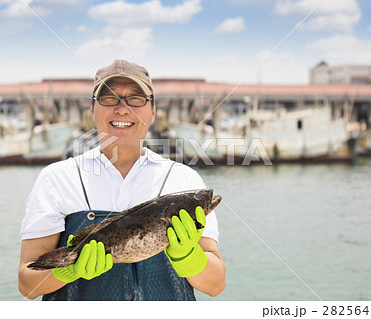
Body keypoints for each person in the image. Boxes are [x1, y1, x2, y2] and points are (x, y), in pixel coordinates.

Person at [18, 59, 226, 300]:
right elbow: (27, 283)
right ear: (93, 110)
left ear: (153, 111)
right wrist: (70, 270)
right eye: (109, 98)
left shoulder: (184, 178)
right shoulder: (57, 178)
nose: (122, 109)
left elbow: (216, 285)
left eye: (136, 99)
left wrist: (190, 258)